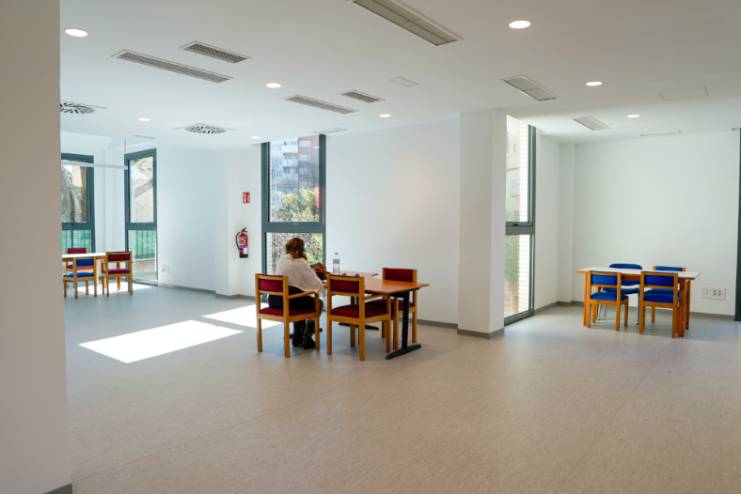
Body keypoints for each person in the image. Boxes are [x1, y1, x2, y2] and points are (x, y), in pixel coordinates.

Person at [269, 237, 324, 349]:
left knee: (300, 299)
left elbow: (294, 275)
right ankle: (307, 338)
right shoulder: (301, 262)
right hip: (290, 302)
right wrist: (320, 279)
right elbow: (315, 283)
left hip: (275, 300)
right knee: (318, 303)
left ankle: (297, 336)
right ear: (301, 249)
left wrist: (310, 267)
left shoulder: (281, 260)